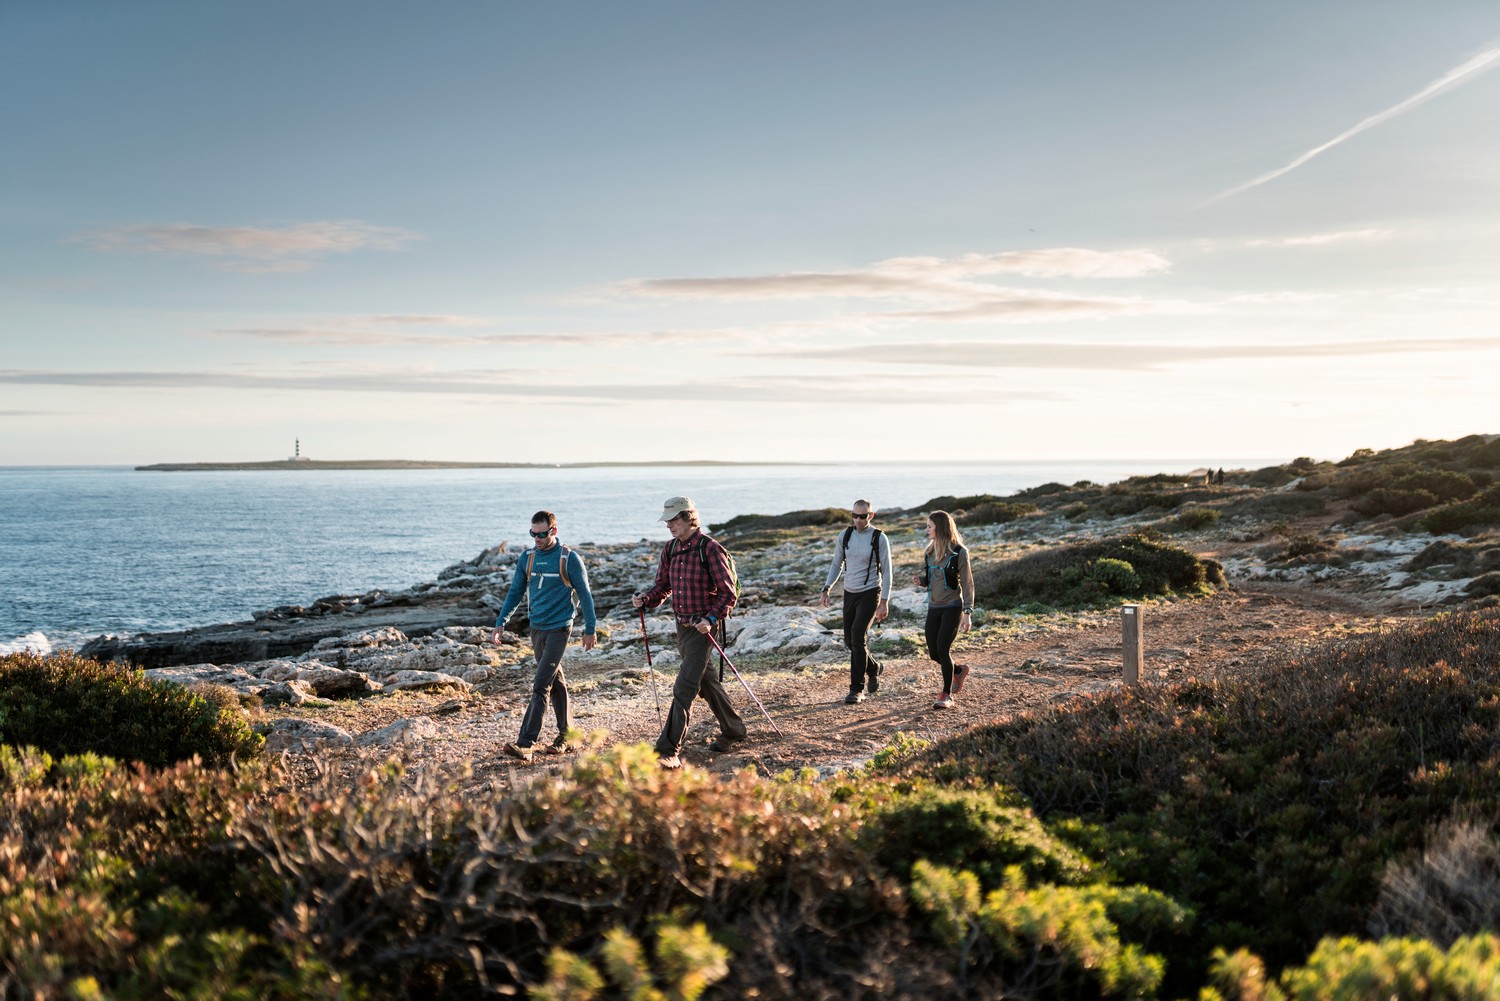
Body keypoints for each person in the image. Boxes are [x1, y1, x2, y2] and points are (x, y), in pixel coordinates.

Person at [631, 496, 745, 769]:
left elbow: (729, 594)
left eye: (673, 520)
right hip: (681, 628)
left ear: (688, 518)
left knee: (684, 688)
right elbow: (663, 587)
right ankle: (734, 729)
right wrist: (646, 599)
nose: (668, 525)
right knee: (706, 683)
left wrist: (710, 618)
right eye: (667, 520)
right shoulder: (670, 550)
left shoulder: (711, 549)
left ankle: (667, 750)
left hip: (702, 629)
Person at [490, 510, 597, 760]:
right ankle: (567, 735)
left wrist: (589, 629)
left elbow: (585, 595)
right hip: (536, 629)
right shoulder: (527, 558)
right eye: (533, 534)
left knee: (541, 684)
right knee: (555, 680)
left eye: (542, 534)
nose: (537, 538)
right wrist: (500, 622)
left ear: (554, 531)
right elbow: (515, 592)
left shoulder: (568, 559)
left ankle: (526, 743)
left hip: (560, 628)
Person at [820, 499, 893, 704]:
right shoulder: (846, 535)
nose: (858, 520)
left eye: (862, 516)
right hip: (850, 593)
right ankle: (874, 668)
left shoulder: (879, 538)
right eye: (854, 515)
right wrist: (827, 588)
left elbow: (887, 572)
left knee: (857, 636)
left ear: (871, 515)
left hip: (870, 592)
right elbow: (836, 564)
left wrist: (884, 601)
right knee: (849, 641)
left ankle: (856, 689)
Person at [912, 510, 975, 709]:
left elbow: (967, 583)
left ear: (940, 527)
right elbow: (930, 579)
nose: (927, 529)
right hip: (934, 607)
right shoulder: (929, 552)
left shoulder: (959, 552)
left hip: (953, 606)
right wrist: (921, 581)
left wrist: (967, 612)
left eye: (929, 526)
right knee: (933, 652)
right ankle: (958, 670)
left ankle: (946, 694)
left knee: (942, 648)